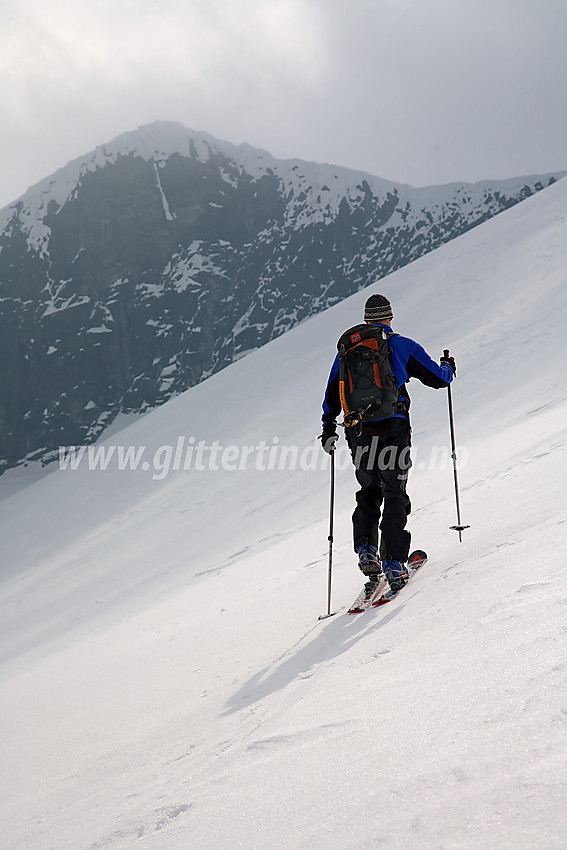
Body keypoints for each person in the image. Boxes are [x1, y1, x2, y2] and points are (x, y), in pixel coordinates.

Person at [320, 293, 455, 597]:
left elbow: (332, 389)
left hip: (359, 431)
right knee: (395, 491)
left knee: (369, 489)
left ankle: (367, 550)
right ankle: (394, 561)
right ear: (389, 317)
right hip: (394, 426)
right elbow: (437, 378)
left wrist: (328, 426)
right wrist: (448, 367)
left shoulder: (347, 351)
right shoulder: (400, 345)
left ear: (367, 319)